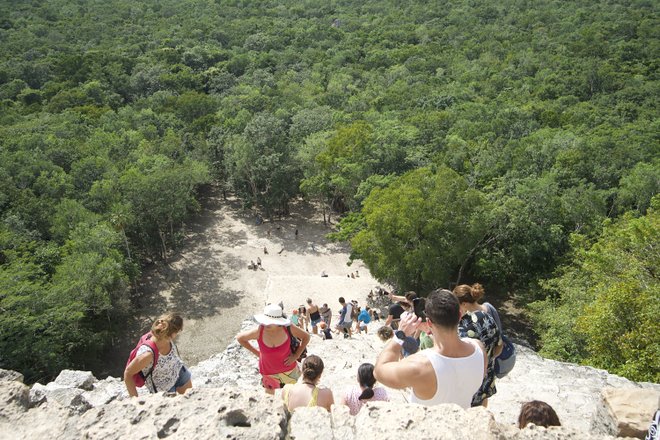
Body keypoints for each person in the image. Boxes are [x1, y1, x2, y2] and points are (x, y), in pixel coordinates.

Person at [374, 289, 487, 408]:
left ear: (429, 322)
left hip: (428, 423)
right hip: (461, 420)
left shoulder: (419, 365)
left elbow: (379, 371)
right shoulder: (479, 348)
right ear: (459, 315)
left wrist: (399, 335)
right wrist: (430, 331)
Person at [236, 304, 310, 394]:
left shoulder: (288, 328)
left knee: (292, 395)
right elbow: (240, 338)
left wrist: (296, 355)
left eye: (269, 321)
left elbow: (306, 337)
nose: (265, 323)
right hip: (268, 371)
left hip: (289, 370)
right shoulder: (260, 331)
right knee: (269, 398)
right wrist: (257, 353)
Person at [454, 283, 502, 407]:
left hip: (472, 377)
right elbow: (499, 345)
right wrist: (490, 358)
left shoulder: (464, 326)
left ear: (464, 304)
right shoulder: (487, 316)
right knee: (483, 402)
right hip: (488, 372)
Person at [124, 313, 192, 397]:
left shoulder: (165, 337)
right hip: (163, 389)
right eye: (177, 332)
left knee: (190, 400)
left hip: (179, 372)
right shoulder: (147, 354)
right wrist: (135, 401)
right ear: (171, 333)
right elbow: (128, 373)